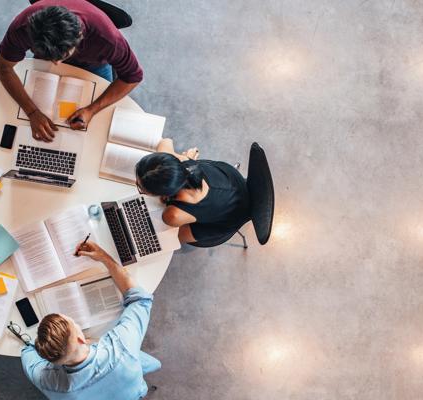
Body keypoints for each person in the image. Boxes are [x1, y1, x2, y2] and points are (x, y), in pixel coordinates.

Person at [21, 240, 160, 399]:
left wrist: (44, 345)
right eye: (73, 323)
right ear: (81, 339)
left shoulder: (47, 381)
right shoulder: (121, 346)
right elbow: (140, 299)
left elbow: (27, 353)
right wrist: (104, 257)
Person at [0, 0, 144, 142]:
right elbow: (3, 67)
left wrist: (92, 110)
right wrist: (32, 112)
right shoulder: (22, 27)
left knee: (99, 126)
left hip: (94, 64)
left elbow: (133, 77)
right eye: (51, 58)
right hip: (46, 58)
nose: (56, 64)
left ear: (80, 36)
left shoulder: (108, 40)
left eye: (62, 56)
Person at [135, 139, 251, 245]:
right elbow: (166, 142)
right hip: (232, 181)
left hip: (229, 219)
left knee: (169, 239)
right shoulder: (184, 163)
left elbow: (174, 236)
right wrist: (179, 158)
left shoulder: (172, 215)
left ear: (163, 193)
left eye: (140, 188)